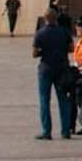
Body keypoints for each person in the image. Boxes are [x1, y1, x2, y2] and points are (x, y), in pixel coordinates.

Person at [32, 9, 75, 140]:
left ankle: (46, 131)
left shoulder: (40, 33)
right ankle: (65, 131)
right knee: (63, 99)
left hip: (45, 68)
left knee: (44, 100)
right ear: (56, 18)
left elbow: (34, 53)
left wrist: (43, 52)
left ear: (45, 19)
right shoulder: (64, 31)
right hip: (62, 68)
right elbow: (71, 48)